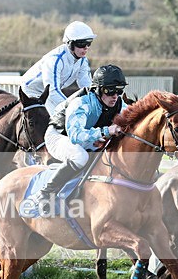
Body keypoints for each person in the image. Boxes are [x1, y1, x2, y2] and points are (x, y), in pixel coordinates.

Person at [35, 64, 128, 215]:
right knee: (80, 156)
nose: (115, 95)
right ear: (98, 89)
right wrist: (105, 131)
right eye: (110, 90)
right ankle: (45, 193)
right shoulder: (81, 103)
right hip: (59, 136)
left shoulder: (118, 104)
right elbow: (76, 136)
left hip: (84, 136)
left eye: (119, 90)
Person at [20, 21, 96, 114]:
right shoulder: (55, 59)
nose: (86, 48)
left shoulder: (83, 60)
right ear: (70, 43)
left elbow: (86, 86)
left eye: (89, 43)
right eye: (82, 44)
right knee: (58, 119)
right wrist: (72, 108)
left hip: (47, 93)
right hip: (32, 91)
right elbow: (53, 91)